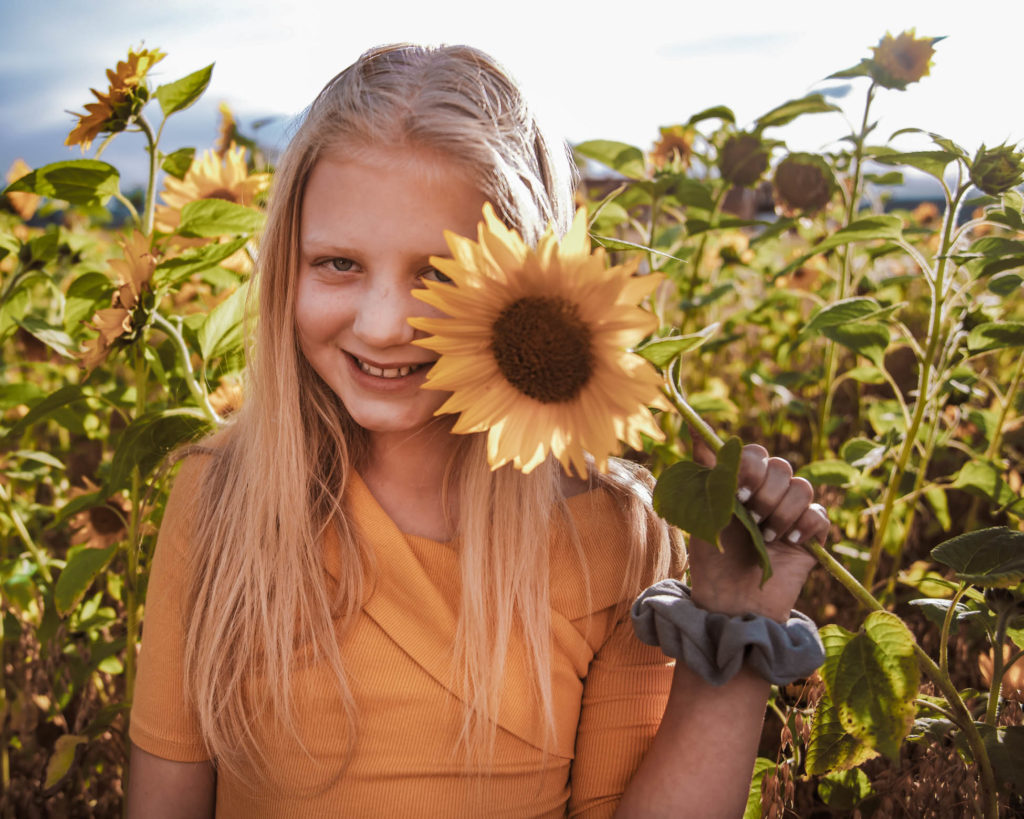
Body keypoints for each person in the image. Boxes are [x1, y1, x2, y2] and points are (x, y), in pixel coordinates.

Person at [126, 43, 830, 818]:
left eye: (437, 274)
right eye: (337, 263)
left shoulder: (612, 527)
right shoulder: (223, 494)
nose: (384, 323)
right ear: (284, 266)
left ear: (532, 284)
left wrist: (735, 622)